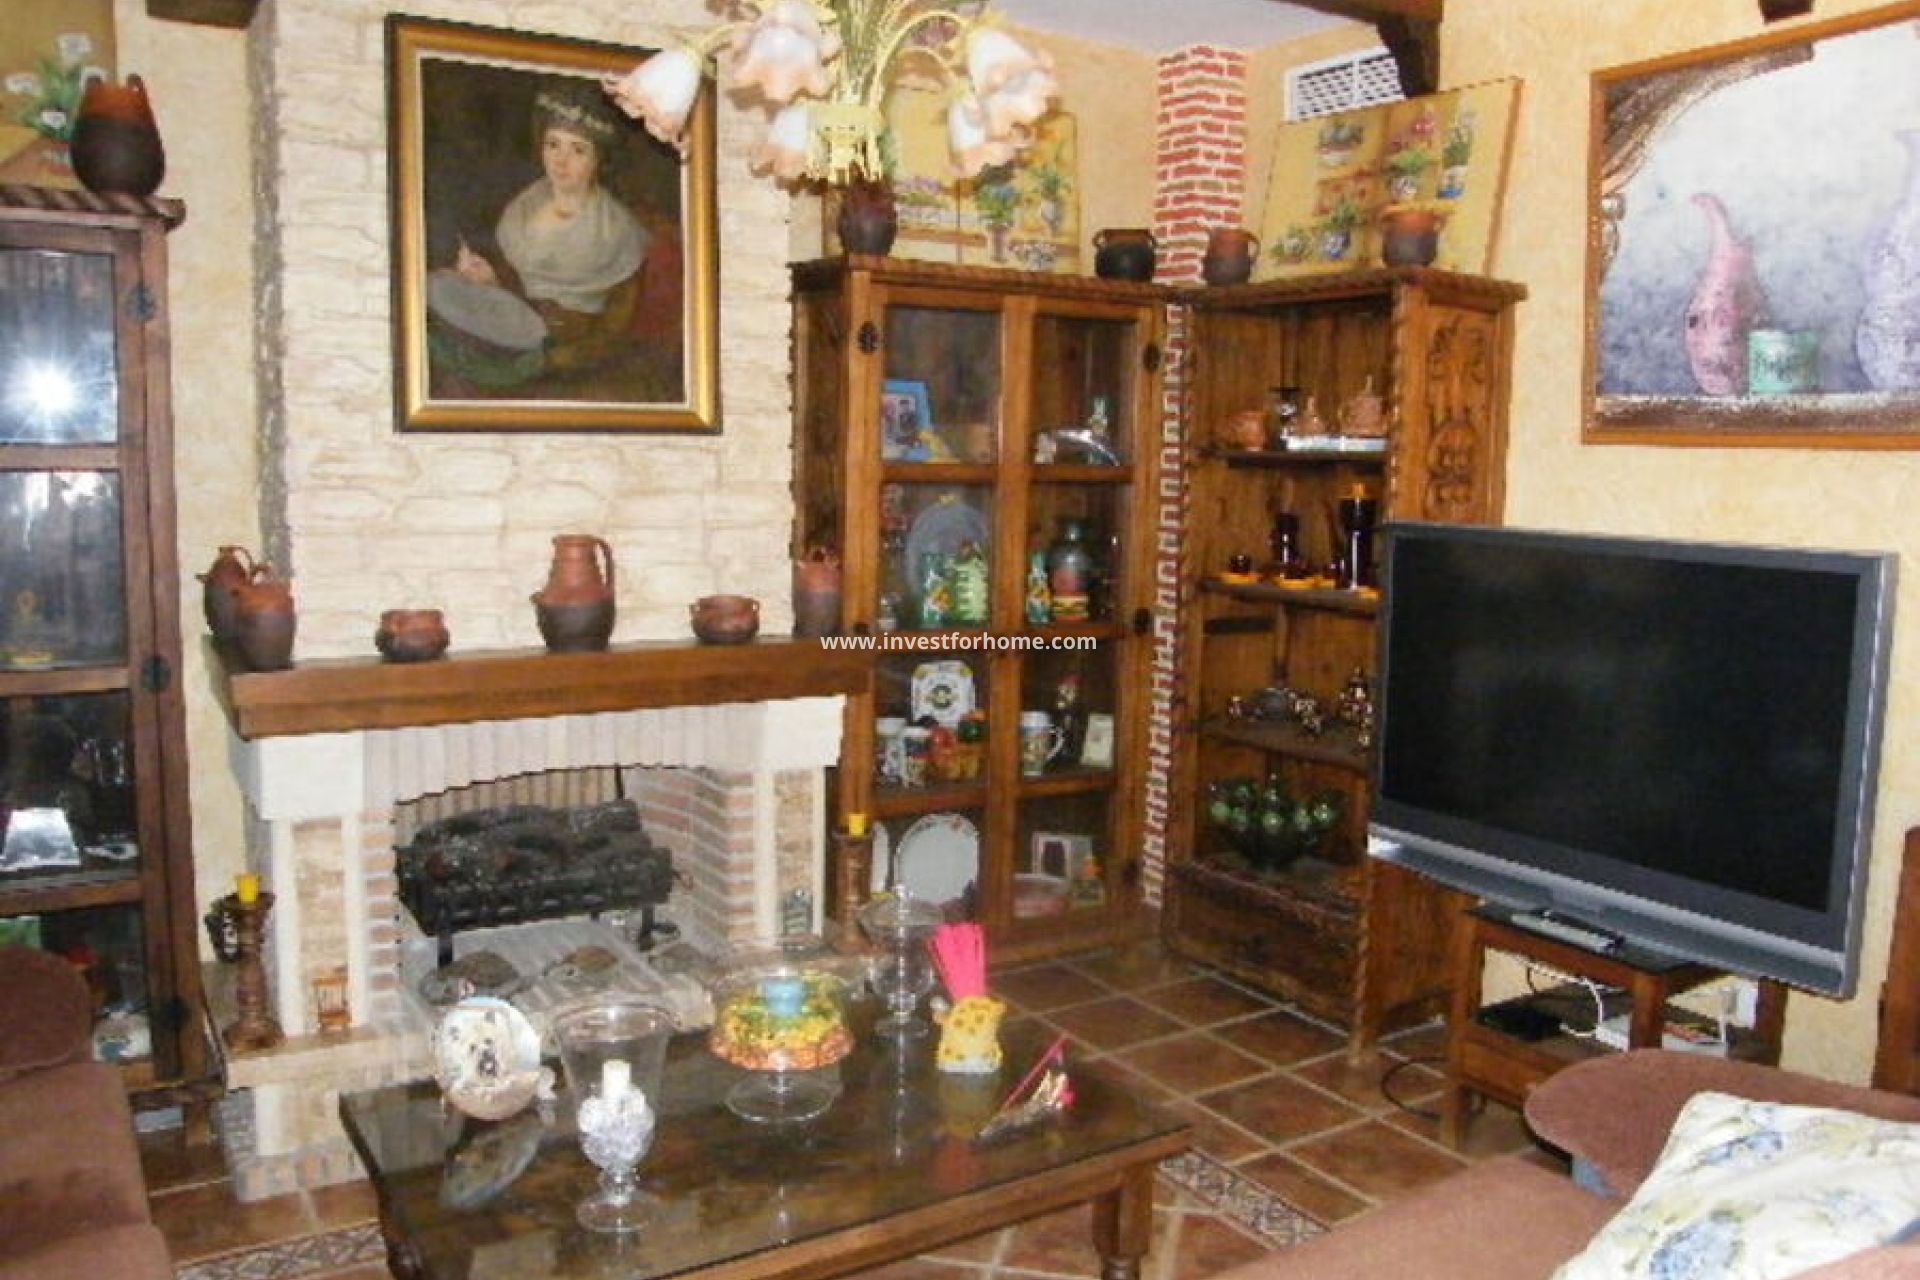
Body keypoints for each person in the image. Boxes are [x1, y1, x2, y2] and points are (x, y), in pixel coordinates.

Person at [431, 85, 649, 386]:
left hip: (570, 355)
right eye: (553, 144)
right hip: (511, 332)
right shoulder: (522, 207)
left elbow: (614, 329)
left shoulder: (619, 231)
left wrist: (552, 359)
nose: (561, 160)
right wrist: (490, 280)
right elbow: (519, 294)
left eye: (578, 149)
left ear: (599, 159)